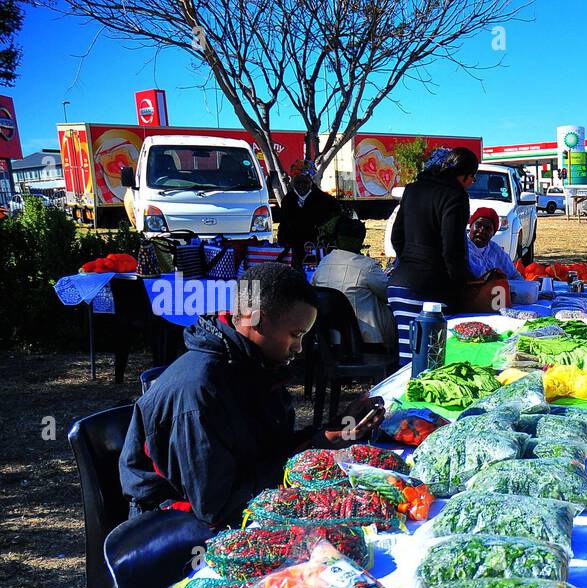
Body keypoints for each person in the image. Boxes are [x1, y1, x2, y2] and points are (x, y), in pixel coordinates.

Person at [119, 264, 385, 528]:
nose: (299, 347)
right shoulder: (198, 392)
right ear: (256, 319)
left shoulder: (255, 365)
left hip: (229, 509)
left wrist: (332, 433)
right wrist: (315, 449)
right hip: (175, 532)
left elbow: (271, 451)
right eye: (296, 335)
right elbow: (217, 507)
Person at [389, 147, 480, 308]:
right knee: (435, 334)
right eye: (474, 178)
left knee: (406, 334)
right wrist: (467, 281)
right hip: (432, 291)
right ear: (466, 174)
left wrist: (409, 263)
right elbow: (452, 250)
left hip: (398, 285)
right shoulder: (456, 197)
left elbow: (396, 237)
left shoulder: (412, 189)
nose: (472, 183)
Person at [312, 216, 396, 351]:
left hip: (331, 338)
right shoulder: (367, 266)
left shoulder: (324, 263)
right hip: (366, 340)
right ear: (361, 241)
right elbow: (388, 295)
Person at [277, 160, 343, 269]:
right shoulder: (287, 200)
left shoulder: (327, 201)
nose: (301, 186)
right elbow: (283, 225)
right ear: (292, 181)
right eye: (297, 182)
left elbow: (335, 226)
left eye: (305, 182)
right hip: (293, 253)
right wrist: (282, 243)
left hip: (320, 252)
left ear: (311, 181)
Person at [465, 207, 522, 281]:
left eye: (488, 228)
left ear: (493, 233)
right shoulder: (461, 247)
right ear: (471, 226)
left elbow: (515, 276)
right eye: (478, 225)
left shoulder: (496, 251)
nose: (481, 230)